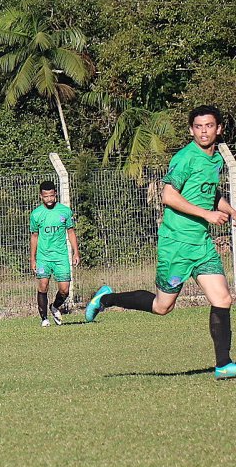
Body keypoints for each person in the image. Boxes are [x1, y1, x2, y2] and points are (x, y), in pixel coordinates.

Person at [85, 105, 236, 379]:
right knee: (162, 307)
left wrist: (229, 211)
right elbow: (169, 195)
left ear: (219, 129)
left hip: (200, 244)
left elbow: (208, 194)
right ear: (191, 130)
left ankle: (223, 364)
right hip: (176, 244)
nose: (204, 131)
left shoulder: (215, 160)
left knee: (223, 299)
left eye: (209, 126)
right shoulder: (186, 158)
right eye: (199, 127)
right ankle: (105, 298)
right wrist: (207, 215)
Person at [29, 180, 80, 327]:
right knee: (43, 285)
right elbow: (34, 237)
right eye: (46, 196)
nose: (49, 199)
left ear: (55, 194)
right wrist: (33, 259)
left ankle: (55, 306)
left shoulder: (64, 211)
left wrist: (76, 252)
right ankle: (44, 319)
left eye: (51, 196)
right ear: (41, 196)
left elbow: (70, 232)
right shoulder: (36, 214)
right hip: (43, 257)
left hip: (61, 256)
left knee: (64, 289)